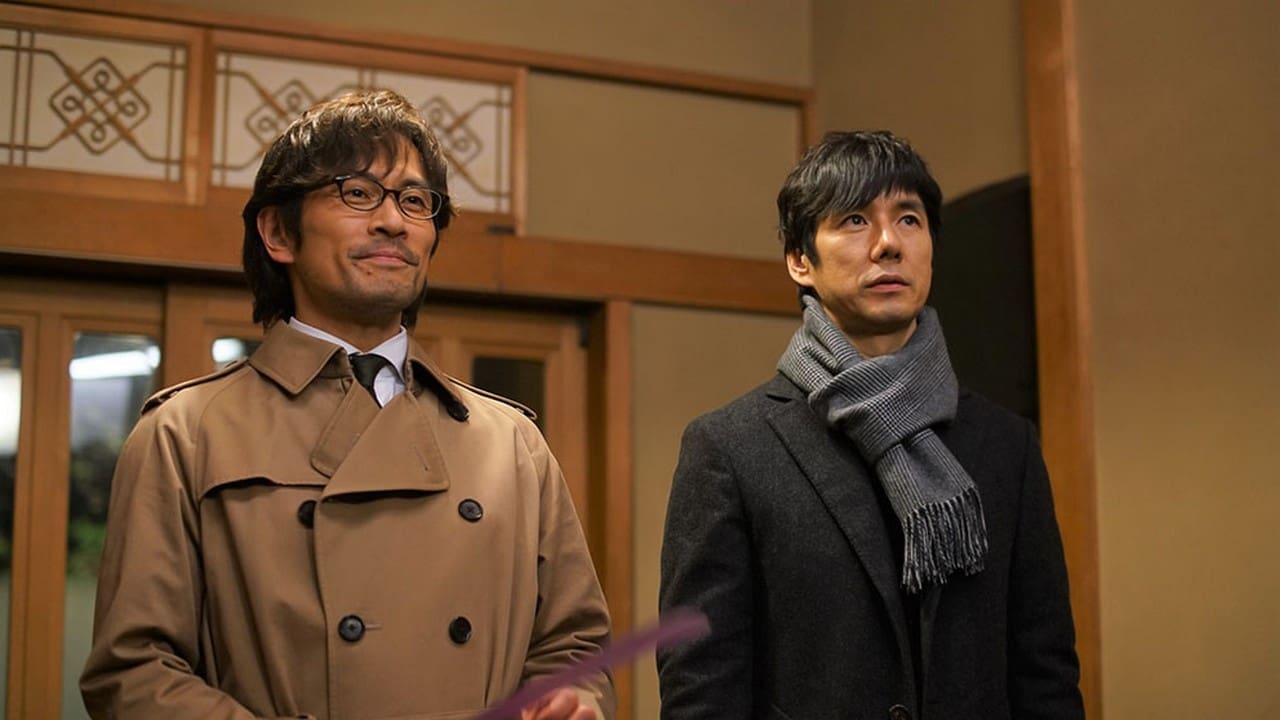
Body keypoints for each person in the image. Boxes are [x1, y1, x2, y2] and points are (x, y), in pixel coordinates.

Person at [81, 90, 613, 720]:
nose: (393, 221)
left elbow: (574, 646)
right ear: (279, 232)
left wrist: (574, 702)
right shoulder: (186, 432)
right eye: (358, 193)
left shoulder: (510, 440)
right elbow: (134, 670)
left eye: (415, 201)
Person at [657, 130, 1083, 719]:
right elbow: (702, 685)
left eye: (909, 220)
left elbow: (1045, 673)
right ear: (800, 261)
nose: (888, 244)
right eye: (855, 220)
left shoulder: (1006, 443)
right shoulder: (731, 448)